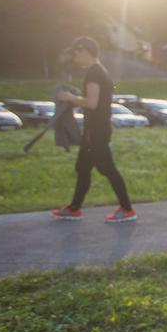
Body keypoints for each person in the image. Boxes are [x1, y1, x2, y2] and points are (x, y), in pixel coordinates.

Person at [50, 36, 137, 223]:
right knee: (82, 168)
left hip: (96, 131)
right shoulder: (99, 71)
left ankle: (127, 209)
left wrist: (68, 97)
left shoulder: (94, 73)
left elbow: (91, 102)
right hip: (95, 130)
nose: (74, 57)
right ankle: (74, 209)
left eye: (75, 53)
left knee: (108, 169)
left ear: (84, 51)